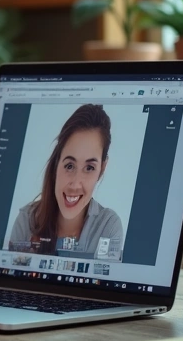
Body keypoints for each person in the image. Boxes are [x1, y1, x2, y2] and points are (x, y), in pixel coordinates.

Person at [7, 104, 125, 260]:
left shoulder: (108, 226)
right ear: (57, 162)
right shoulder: (27, 219)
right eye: (70, 165)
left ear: (102, 169)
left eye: (89, 167)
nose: (75, 184)